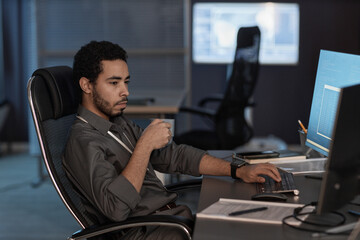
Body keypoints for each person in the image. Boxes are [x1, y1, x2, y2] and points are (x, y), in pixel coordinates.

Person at [63, 40, 281, 239]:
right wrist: (145, 145)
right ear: (87, 85)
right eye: (114, 83)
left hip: (173, 220)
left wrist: (238, 170)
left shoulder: (117, 122)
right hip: (151, 232)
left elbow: (174, 155)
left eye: (126, 82)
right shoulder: (84, 141)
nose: (125, 92)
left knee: (258, 222)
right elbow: (116, 209)